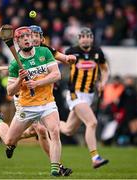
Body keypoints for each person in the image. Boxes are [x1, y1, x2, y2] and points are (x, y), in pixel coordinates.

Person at [0, 26, 63, 176]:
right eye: (22, 37)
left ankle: (55, 167)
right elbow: (10, 91)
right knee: (9, 142)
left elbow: (56, 75)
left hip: (47, 103)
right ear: (17, 41)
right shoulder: (15, 64)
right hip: (26, 107)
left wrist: (37, 83)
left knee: (54, 131)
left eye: (28, 35)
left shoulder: (44, 52)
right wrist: (20, 80)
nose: (27, 38)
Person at [60, 27, 110, 169]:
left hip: (89, 95)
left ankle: (48, 125)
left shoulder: (97, 52)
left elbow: (105, 69)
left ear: (92, 38)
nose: (86, 38)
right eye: (83, 36)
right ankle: (95, 157)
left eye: (89, 36)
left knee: (68, 129)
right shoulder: (71, 51)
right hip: (75, 93)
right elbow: (60, 67)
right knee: (92, 122)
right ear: (79, 38)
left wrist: (103, 82)